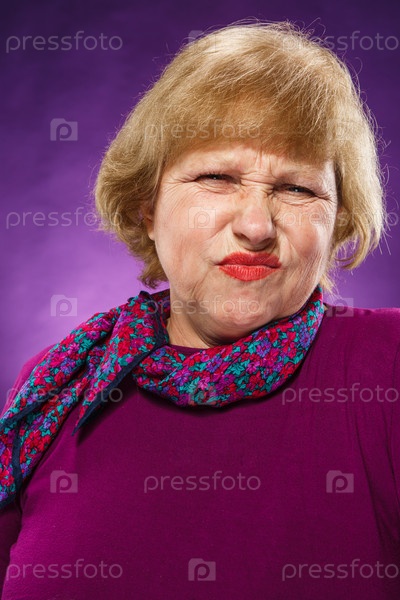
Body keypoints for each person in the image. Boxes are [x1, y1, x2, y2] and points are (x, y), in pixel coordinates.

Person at [1, 21, 399, 600]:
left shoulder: (387, 365)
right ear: (147, 207)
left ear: (336, 221)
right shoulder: (58, 384)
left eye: (296, 189)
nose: (256, 227)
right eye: (217, 177)